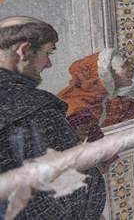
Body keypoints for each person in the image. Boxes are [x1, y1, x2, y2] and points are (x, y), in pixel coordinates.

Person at [0, 16, 107, 219]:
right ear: (23, 51)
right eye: (47, 53)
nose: (48, 64)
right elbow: (69, 188)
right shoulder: (32, 107)